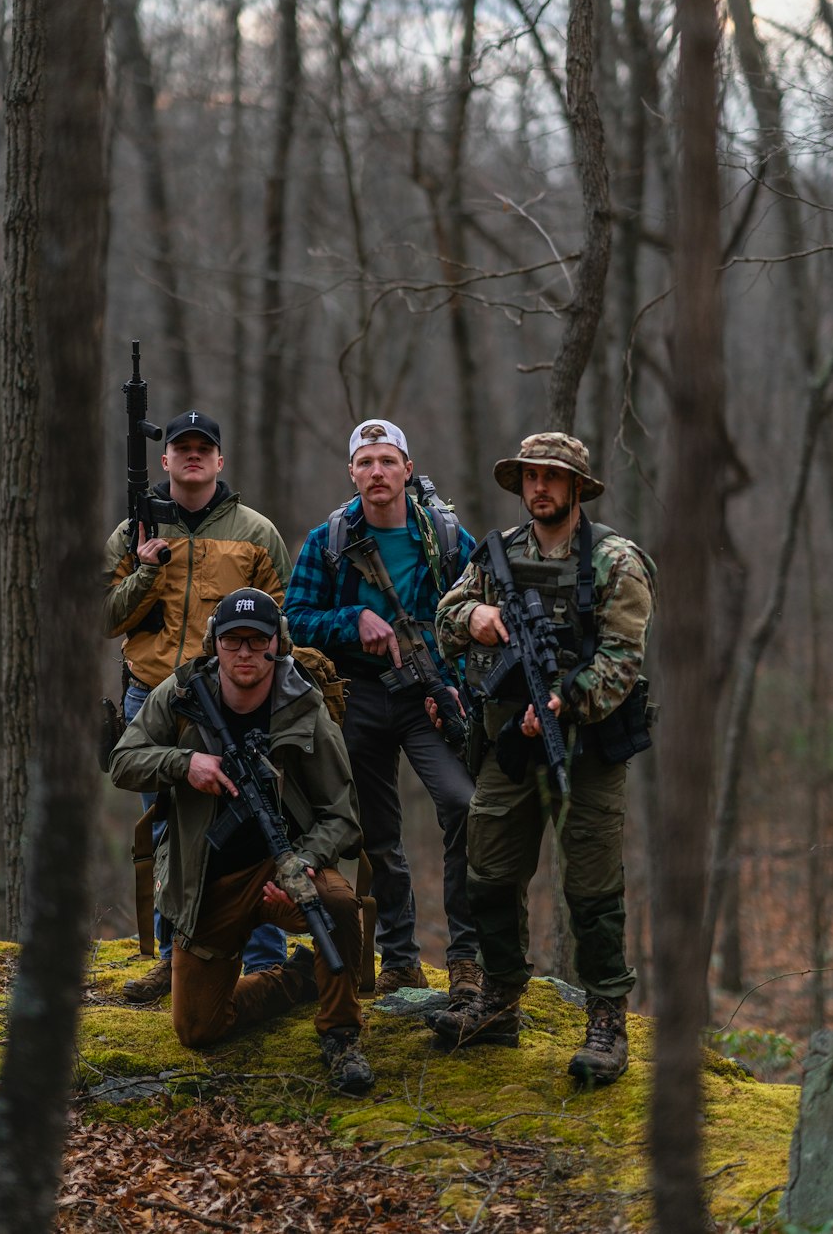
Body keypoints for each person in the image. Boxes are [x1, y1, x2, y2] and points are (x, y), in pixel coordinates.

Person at [426, 432, 655, 1086]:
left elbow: (623, 661)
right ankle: (499, 999)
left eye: (552, 477)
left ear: (577, 486)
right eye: (530, 477)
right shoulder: (498, 555)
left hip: (589, 749)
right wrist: (476, 618)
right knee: (488, 872)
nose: (539, 488)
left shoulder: (616, 560)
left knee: (591, 890)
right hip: (509, 745)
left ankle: (607, 1020)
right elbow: (447, 615)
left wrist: (564, 702)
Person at [107, 587, 374, 1095]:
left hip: (286, 873)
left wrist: (305, 863)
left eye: (257, 640)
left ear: (278, 643)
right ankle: (299, 980)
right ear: (216, 645)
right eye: (233, 641)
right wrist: (185, 764)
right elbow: (123, 761)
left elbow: (342, 816)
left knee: (337, 906)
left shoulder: (304, 706)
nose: (246, 652)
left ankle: (341, 1034)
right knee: (197, 1029)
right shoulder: (183, 693)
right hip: (207, 880)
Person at [284, 418, 482, 1001]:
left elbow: (477, 614)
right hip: (359, 694)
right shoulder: (330, 540)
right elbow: (295, 617)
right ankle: (399, 957)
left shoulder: (446, 537)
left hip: (428, 693)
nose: (377, 472)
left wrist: (453, 690)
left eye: (387, 461)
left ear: (407, 469)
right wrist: (353, 621)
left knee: (463, 806)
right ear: (352, 473)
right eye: (366, 462)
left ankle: (466, 957)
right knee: (378, 832)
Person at [103, 409, 292, 1000]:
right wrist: (147, 569)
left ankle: (264, 960)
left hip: (237, 698)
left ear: (219, 460)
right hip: (153, 698)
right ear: (164, 460)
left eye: (202, 448)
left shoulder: (256, 533)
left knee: (255, 824)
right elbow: (108, 618)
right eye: (180, 447)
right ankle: (172, 958)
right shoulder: (132, 531)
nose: (191, 456)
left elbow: (285, 628)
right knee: (166, 830)